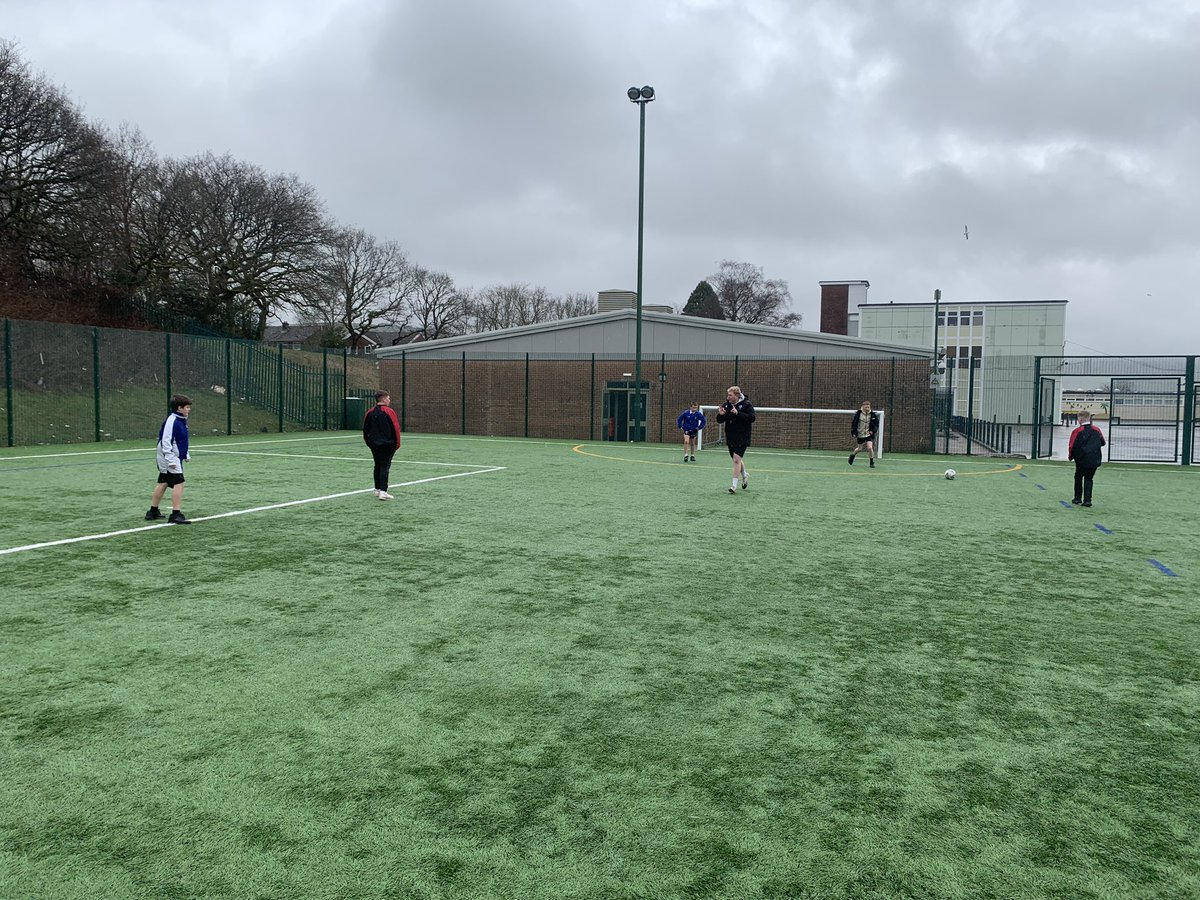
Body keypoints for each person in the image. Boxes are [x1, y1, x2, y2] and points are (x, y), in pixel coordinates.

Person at [145, 394, 193, 525]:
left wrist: (185, 454)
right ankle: (176, 514)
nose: (189, 410)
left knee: (164, 481)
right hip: (169, 455)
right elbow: (166, 441)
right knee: (179, 483)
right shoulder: (172, 420)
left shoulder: (181, 420)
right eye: (187, 407)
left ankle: (153, 511)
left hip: (173, 455)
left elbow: (181, 440)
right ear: (179, 408)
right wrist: (170, 459)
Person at [363, 391, 402, 500]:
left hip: (373, 444)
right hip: (387, 444)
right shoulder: (389, 411)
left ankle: (377, 489)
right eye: (388, 398)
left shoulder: (369, 412)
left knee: (377, 465)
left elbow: (365, 429)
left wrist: (368, 442)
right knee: (385, 466)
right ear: (384, 399)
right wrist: (397, 443)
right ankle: (383, 491)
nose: (389, 400)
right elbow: (396, 428)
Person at [715, 386, 755, 493]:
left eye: (730, 395)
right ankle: (745, 475)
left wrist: (738, 414)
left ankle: (733, 485)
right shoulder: (726, 405)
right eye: (728, 395)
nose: (728, 397)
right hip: (731, 436)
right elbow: (720, 420)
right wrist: (720, 415)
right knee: (736, 459)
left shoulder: (746, 404)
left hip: (743, 436)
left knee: (737, 459)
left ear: (737, 395)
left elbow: (752, 418)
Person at [1068, 410, 1105, 507]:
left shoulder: (1077, 431)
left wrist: (1071, 457)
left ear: (1080, 419)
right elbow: (1103, 442)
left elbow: (1072, 445)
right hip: (1094, 458)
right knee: (1089, 478)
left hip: (1081, 459)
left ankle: (1077, 498)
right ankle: (1088, 500)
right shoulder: (1097, 429)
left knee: (1078, 477)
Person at [849, 400, 879, 468]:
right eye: (866, 407)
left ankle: (871, 462)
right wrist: (854, 432)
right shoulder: (858, 414)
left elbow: (876, 425)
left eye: (868, 407)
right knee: (859, 449)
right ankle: (852, 455)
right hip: (860, 434)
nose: (867, 408)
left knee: (870, 447)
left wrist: (873, 431)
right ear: (863, 407)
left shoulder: (873, 415)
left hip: (869, 434)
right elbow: (854, 424)